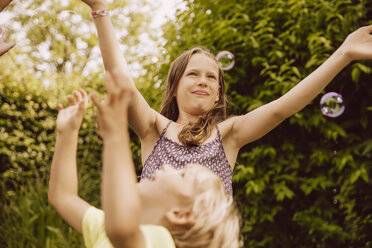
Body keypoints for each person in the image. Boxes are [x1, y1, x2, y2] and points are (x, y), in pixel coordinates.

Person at [79, 0, 372, 195]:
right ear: (175, 86)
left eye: (211, 77)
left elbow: (281, 109)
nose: (203, 81)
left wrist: (343, 53)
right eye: (193, 74)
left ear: (219, 95)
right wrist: (100, 10)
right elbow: (123, 83)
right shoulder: (153, 128)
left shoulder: (228, 134)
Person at [48, 69, 242, 248]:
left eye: (182, 175)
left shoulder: (161, 240)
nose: (167, 167)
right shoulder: (107, 227)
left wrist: (115, 134)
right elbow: (63, 197)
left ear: (179, 214)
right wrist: (67, 134)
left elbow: (121, 230)